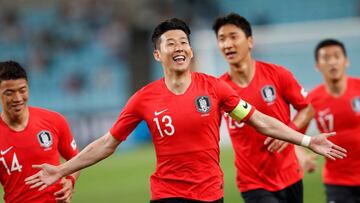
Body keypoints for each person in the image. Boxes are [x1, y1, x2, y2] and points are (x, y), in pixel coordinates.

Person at [25, 18, 345, 203]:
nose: (179, 48)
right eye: (171, 43)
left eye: (184, 42)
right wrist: (62, 170)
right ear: (157, 55)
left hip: (210, 192)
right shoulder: (143, 99)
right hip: (167, 192)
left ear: (191, 50)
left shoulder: (216, 88)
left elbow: (259, 120)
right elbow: (108, 142)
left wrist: (305, 141)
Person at [212, 13, 317, 203]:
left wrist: (291, 135)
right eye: (221, 39)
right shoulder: (219, 90)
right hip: (253, 183)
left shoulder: (277, 75)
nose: (227, 44)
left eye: (233, 37)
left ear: (250, 41)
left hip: (290, 175)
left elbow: (307, 109)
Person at [0, 61, 80, 203]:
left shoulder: (54, 121)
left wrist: (70, 180)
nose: (18, 98)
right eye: (9, 93)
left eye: (22, 90)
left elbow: (75, 159)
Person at [308, 39, 360, 203]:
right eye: (326, 58)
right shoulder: (312, 100)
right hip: (337, 182)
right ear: (317, 66)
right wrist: (302, 155)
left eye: (336, 56)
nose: (332, 62)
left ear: (346, 61)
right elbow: (294, 134)